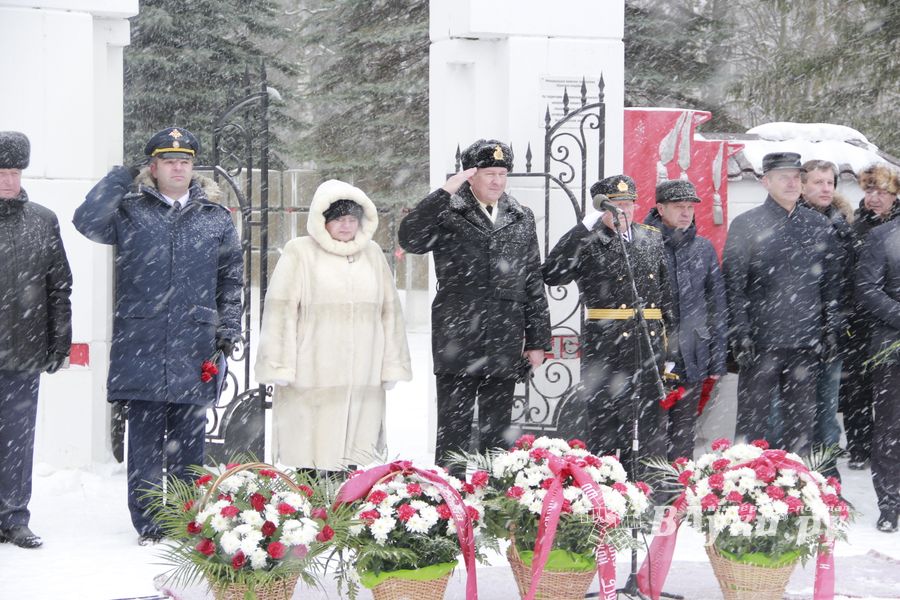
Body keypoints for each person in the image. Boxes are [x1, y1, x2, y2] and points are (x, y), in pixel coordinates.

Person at [73, 127, 243, 544]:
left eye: (185, 161)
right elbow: (86, 221)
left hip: (195, 347)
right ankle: (150, 523)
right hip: (142, 343)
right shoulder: (130, 211)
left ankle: (187, 520)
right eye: (169, 160)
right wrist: (119, 177)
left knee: (190, 446)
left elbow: (231, 280)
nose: (178, 167)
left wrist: (227, 330)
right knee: (145, 446)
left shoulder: (215, 219)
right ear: (153, 166)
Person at [398, 139, 550, 469]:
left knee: (497, 437)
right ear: (470, 176)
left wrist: (537, 341)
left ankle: (494, 507)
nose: (497, 181)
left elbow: (532, 280)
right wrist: (443, 193)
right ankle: (449, 505)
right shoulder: (448, 213)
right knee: (453, 432)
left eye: (502, 173)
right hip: (459, 338)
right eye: (488, 173)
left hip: (503, 338)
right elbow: (409, 238)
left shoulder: (520, 216)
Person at [254, 179, 412, 471]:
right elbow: (281, 312)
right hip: (312, 371)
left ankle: (347, 508)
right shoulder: (300, 252)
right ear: (322, 221)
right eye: (338, 219)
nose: (346, 226)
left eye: (352, 219)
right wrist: (278, 364)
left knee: (355, 461)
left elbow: (390, 314)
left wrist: (392, 364)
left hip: (363, 374)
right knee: (312, 458)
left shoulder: (373, 254)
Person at [543, 174, 674, 471]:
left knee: (644, 422)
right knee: (603, 420)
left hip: (647, 344)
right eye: (616, 205)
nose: (624, 211)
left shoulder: (651, 237)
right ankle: (605, 487)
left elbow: (667, 297)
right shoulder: (588, 239)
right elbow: (552, 273)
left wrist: (671, 351)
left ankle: (640, 485)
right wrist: (582, 230)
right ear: (601, 208)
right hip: (606, 345)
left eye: (629, 204)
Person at [722, 152, 841, 456]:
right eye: (782, 176)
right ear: (765, 182)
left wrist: (830, 329)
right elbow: (734, 286)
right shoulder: (746, 224)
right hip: (761, 342)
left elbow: (829, 284)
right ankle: (744, 489)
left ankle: (795, 487)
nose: (791, 182)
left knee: (802, 425)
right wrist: (741, 333)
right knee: (752, 423)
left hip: (806, 341)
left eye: (796, 176)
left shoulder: (818, 225)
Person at [0, 131, 72, 549]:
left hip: (23, 350)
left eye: (15, 172)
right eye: (1, 172)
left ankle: (13, 516)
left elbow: (59, 285)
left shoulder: (42, 220)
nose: (9, 181)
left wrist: (59, 341)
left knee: (17, 438)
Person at [643, 179, 727, 461]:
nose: (686, 213)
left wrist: (717, 358)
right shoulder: (644, 244)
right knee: (652, 428)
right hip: (654, 353)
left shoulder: (703, 249)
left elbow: (717, 305)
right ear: (660, 208)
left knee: (684, 428)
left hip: (693, 352)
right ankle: (652, 485)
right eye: (679, 207)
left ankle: (680, 488)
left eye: (690, 207)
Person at [840, 163, 900, 470]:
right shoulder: (855, 226)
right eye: (869, 191)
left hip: (891, 326)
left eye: (882, 192)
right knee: (856, 389)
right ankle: (860, 447)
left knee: (891, 399)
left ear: (894, 194)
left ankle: (888, 451)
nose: (874, 198)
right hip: (859, 323)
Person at [796, 160, 855, 469]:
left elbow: (849, 282)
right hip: (795, 333)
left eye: (830, 182)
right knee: (789, 412)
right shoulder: (791, 223)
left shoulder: (844, 225)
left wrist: (838, 323)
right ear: (802, 185)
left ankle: (828, 476)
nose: (825, 188)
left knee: (827, 410)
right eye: (818, 182)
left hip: (833, 332)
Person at [855, 208, 900, 532]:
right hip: (891, 347)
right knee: (889, 429)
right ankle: (890, 503)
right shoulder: (882, 236)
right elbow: (867, 289)